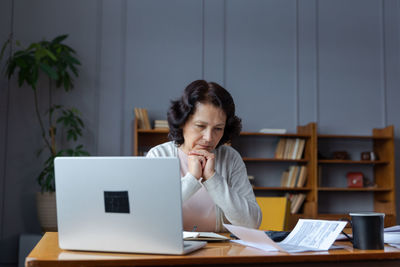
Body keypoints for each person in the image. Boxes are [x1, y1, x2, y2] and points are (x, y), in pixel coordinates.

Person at [146, 80, 261, 232]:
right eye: (200, 126)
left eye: (218, 128)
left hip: (221, 250)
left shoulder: (231, 158)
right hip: (173, 248)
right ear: (182, 122)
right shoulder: (159, 155)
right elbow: (150, 217)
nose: (209, 137)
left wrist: (212, 179)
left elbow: (252, 223)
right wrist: (192, 179)